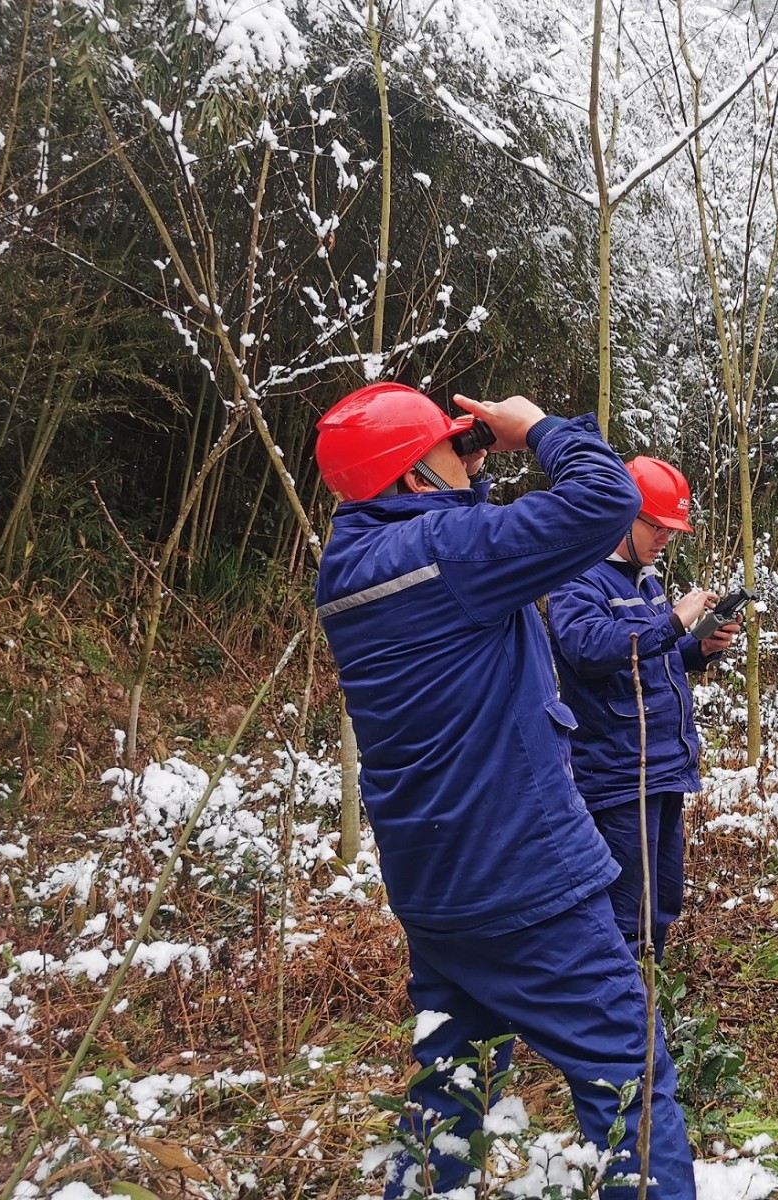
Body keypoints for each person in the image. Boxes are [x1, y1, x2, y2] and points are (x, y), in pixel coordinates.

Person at [313, 383, 695, 1200]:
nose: (468, 458)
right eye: (451, 450)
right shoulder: (449, 555)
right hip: (523, 876)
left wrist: (471, 468)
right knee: (629, 1076)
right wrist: (540, 430)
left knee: (453, 1085)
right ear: (413, 477)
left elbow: (457, 534)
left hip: (434, 886)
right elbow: (606, 500)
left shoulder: (351, 567)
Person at [547, 456, 740, 962]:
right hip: (619, 773)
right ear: (621, 514)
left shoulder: (646, 580)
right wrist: (673, 621)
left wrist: (701, 646)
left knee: (663, 897)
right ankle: (620, 999)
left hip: (664, 767)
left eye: (672, 529)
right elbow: (588, 649)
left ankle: (650, 992)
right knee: (627, 909)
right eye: (656, 525)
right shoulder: (578, 578)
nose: (665, 538)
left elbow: (653, 656)